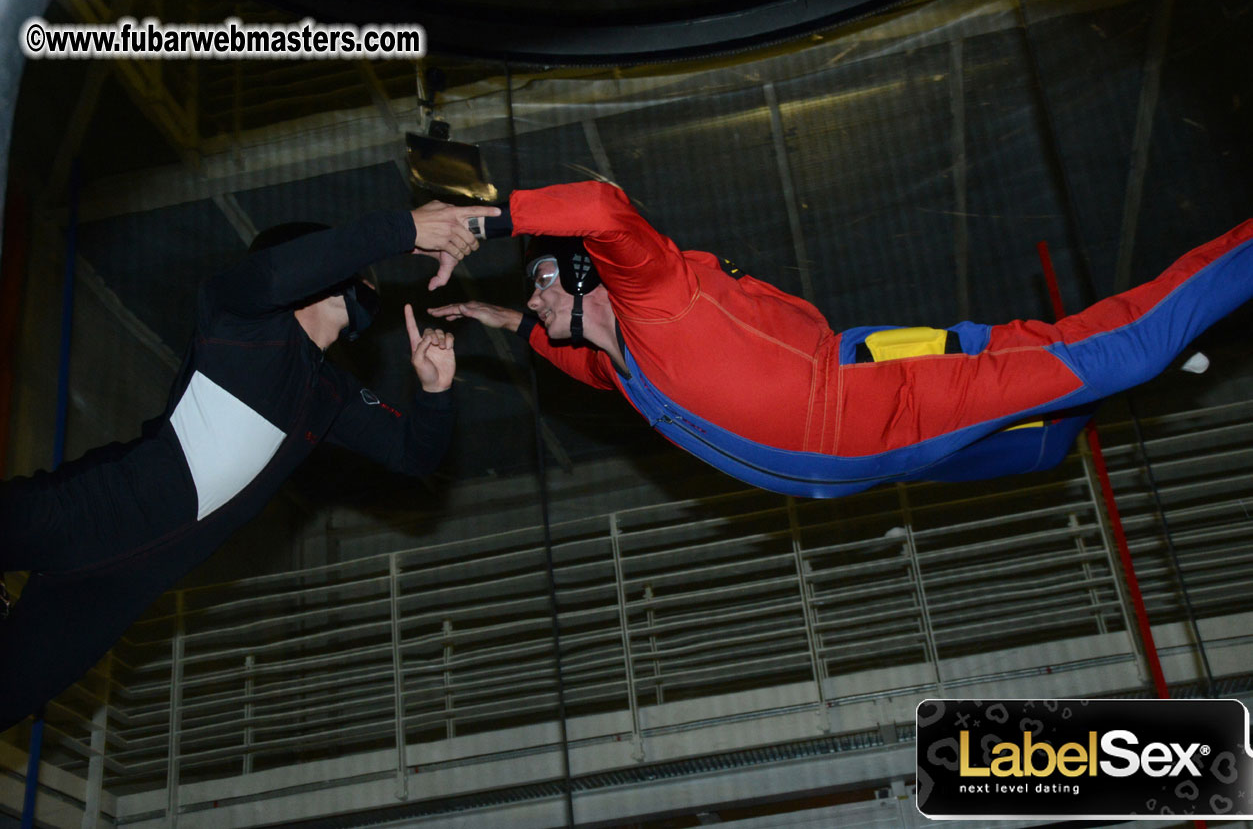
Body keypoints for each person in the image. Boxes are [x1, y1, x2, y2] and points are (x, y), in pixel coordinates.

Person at [0, 199, 499, 731]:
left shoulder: (329, 393)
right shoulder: (240, 315)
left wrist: (435, 392)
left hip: (117, 592)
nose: (368, 280)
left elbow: (413, 454)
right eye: (357, 269)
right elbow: (278, 274)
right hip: (91, 509)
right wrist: (401, 228)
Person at [430, 180, 1253, 497]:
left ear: (587, 276)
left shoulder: (656, 298)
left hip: (877, 404)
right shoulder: (625, 371)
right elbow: (572, 359)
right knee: (1040, 450)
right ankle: (1137, 371)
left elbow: (603, 208)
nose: (531, 295)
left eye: (542, 279)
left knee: (1120, 354)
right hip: (869, 466)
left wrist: (483, 220)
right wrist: (505, 321)